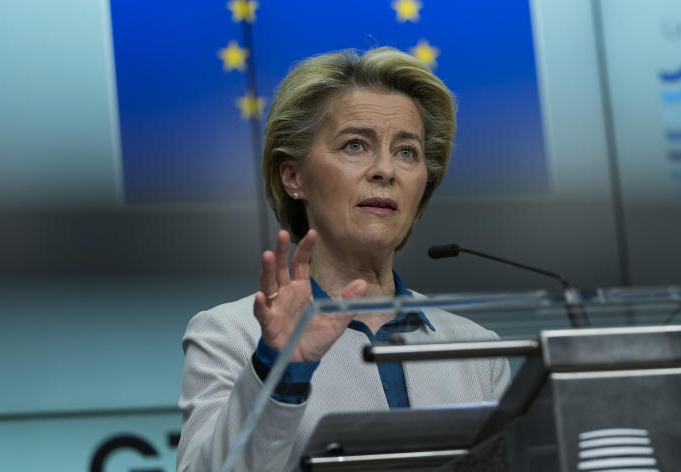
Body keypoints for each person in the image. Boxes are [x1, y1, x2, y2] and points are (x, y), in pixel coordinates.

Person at [176, 48, 510, 472]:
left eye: (407, 151)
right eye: (356, 145)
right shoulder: (231, 335)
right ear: (293, 176)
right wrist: (280, 371)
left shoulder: (476, 347)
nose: (386, 170)